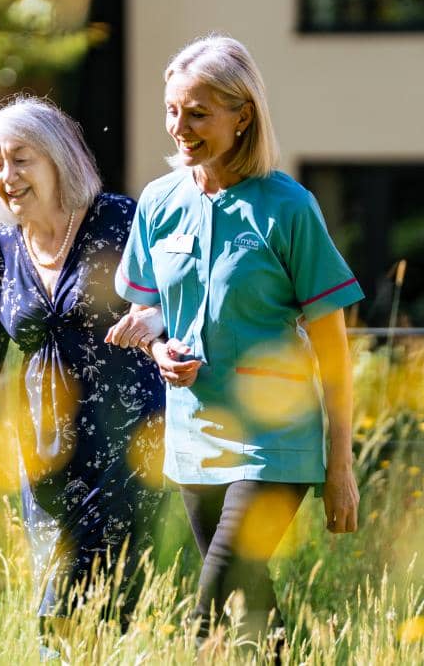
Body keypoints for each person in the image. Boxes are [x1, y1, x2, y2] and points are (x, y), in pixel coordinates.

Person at [107, 34, 363, 651]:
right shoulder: (160, 202)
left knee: (212, 603)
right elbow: (148, 305)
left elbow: (334, 347)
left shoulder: (289, 208)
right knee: (250, 609)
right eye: (173, 110)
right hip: (194, 433)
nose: (180, 127)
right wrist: (156, 342)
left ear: (241, 114)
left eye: (198, 113)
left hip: (276, 439)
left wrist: (341, 467)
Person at [0, 97, 165, 632]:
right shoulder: (0, 251)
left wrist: (156, 320)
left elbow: (183, 299)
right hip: (46, 459)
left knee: (95, 606)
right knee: (62, 608)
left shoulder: (122, 221)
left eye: (21, 159)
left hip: (130, 448)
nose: (6, 176)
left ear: (58, 159)